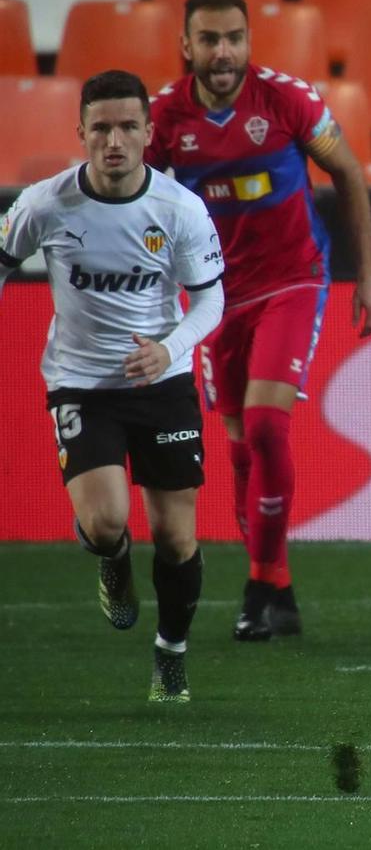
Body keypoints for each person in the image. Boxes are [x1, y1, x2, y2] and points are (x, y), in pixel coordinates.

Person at [146, 0, 371, 641]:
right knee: (239, 452)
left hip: (291, 280)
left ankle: (259, 586)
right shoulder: (165, 117)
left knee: (264, 424)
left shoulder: (287, 99)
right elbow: (133, 203)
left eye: (233, 38)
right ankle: (277, 590)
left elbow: (350, 174)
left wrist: (367, 276)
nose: (222, 52)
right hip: (212, 297)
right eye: (209, 39)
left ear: (249, 42)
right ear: (186, 45)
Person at [1, 70, 225, 701]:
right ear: (81, 134)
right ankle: (113, 560)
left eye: (128, 126)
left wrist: (169, 348)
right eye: (101, 127)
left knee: (179, 536)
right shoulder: (45, 204)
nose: (115, 140)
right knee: (104, 523)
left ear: (150, 133)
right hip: (81, 384)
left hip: (162, 381)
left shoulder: (179, 210)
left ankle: (171, 657)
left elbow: (211, 300)